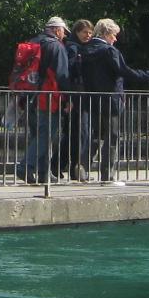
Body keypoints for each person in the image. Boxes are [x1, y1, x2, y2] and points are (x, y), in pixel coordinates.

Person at [78, 19, 149, 185]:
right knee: (112, 137)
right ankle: (107, 175)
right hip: (111, 100)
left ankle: (83, 166)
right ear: (106, 33)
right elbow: (124, 71)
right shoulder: (109, 51)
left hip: (92, 100)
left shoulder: (84, 50)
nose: (115, 39)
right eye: (114, 35)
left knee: (96, 135)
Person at [16, 16, 70, 185]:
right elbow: (62, 75)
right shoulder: (56, 46)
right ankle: (25, 166)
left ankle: (43, 173)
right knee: (45, 136)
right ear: (57, 30)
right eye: (63, 32)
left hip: (29, 95)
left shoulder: (33, 42)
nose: (64, 36)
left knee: (37, 135)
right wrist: (68, 98)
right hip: (48, 98)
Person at [58, 19, 95, 181]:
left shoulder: (77, 46)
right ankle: (76, 169)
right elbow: (71, 70)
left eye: (90, 32)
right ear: (76, 32)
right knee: (81, 133)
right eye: (84, 32)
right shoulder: (73, 48)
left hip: (77, 95)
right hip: (76, 95)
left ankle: (58, 166)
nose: (88, 35)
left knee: (73, 133)